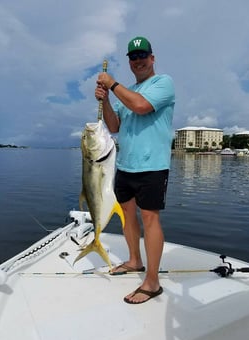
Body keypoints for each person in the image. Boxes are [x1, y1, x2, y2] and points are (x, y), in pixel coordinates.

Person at [95, 36, 175, 304]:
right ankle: (134, 260)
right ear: (129, 62)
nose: (138, 61)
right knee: (128, 217)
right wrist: (105, 100)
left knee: (150, 218)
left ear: (152, 58)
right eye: (133, 57)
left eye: (143, 56)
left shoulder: (163, 83)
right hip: (125, 165)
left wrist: (113, 85)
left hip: (153, 165)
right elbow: (115, 126)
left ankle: (152, 282)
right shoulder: (126, 92)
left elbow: (141, 107)